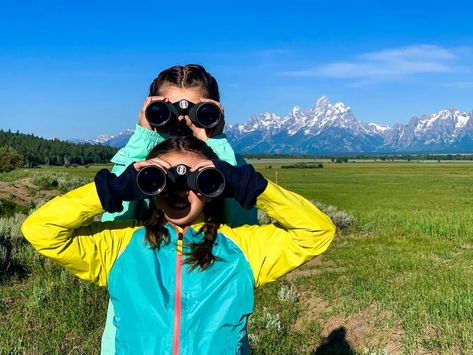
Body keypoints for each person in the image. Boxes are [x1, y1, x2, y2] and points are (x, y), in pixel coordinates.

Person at [22, 135, 336, 354]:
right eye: (164, 179)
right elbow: (41, 230)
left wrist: (250, 186)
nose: (179, 191)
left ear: (214, 186)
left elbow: (317, 231)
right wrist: (112, 190)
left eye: (196, 183)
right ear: (146, 184)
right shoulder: (119, 246)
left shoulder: (241, 248)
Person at [101, 64, 258, 352]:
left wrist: (216, 148)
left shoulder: (230, 167)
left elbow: (244, 229)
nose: (183, 120)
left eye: (198, 111)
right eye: (169, 110)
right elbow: (113, 220)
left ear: (215, 111)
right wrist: (142, 143)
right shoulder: (142, 167)